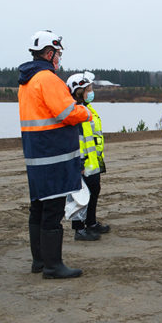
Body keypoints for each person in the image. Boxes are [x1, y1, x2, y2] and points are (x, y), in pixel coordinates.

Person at [18, 30, 91, 279]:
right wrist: (85, 112)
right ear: (49, 53)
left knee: (37, 207)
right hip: (54, 155)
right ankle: (53, 266)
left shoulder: (27, 81)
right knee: (52, 210)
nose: (59, 58)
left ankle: (39, 261)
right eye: (58, 53)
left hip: (37, 154)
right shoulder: (47, 79)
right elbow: (67, 113)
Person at [66, 71, 111, 241]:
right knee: (80, 196)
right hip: (82, 164)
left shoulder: (87, 109)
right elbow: (76, 141)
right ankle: (79, 230)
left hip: (92, 162)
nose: (91, 92)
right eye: (88, 89)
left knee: (94, 191)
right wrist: (80, 164)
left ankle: (91, 223)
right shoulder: (75, 113)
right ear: (78, 92)